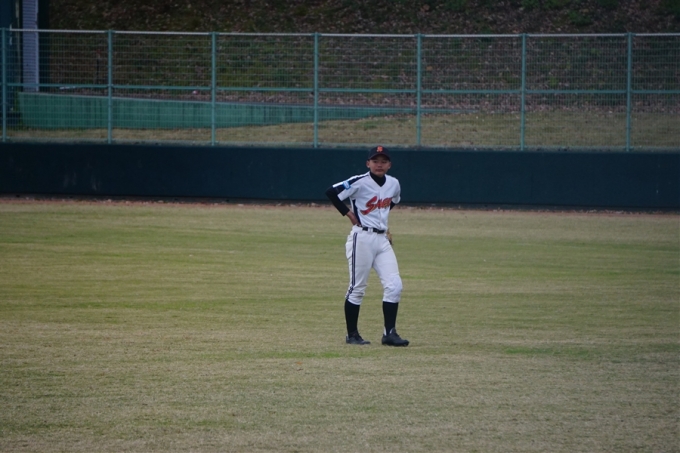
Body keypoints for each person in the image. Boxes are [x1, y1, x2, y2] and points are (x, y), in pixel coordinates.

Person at [325, 146, 409, 347]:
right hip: (361, 238)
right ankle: (352, 334)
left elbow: (393, 201)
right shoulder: (359, 181)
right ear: (368, 163)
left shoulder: (393, 183)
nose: (379, 165)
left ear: (389, 165)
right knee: (357, 287)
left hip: (382, 239)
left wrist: (382, 220)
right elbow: (331, 192)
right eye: (375, 161)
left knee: (394, 285)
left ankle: (389, 334)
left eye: (383, 161)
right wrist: (349, 214)